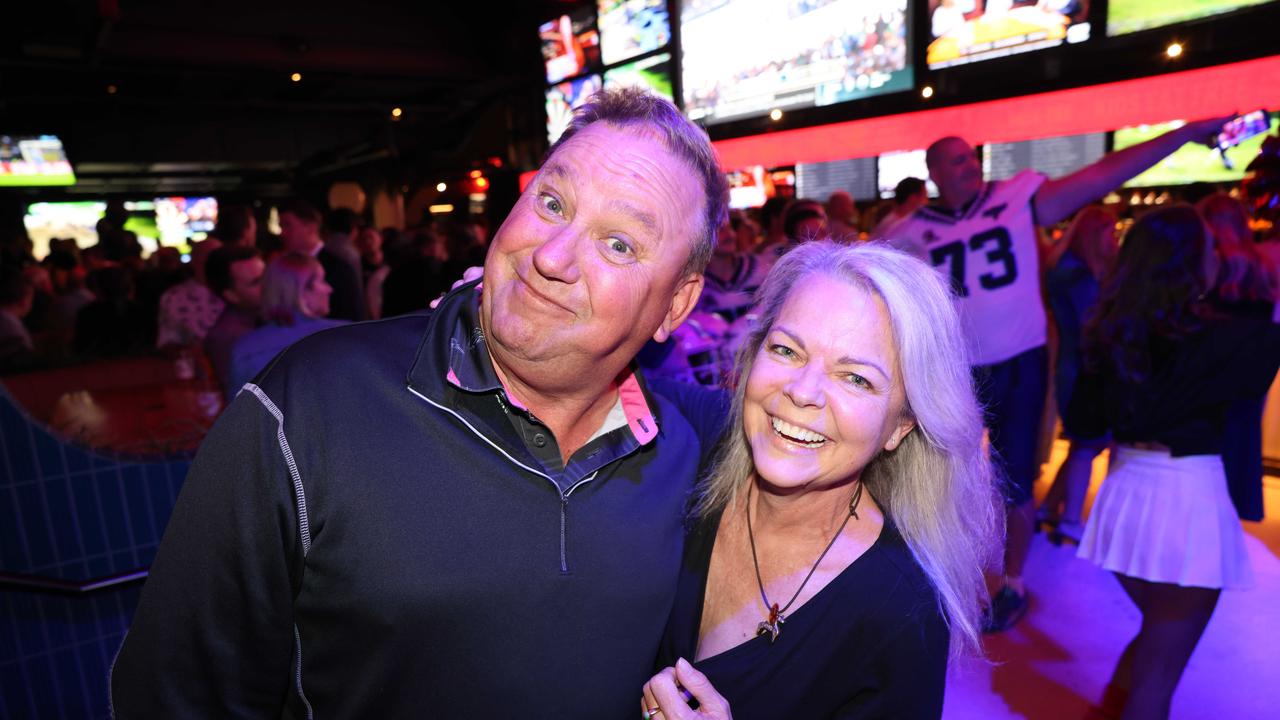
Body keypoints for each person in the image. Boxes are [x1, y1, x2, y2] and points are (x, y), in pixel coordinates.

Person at [110, 87, 731, 717]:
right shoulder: (313, 405)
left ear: (676, 305)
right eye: (551, 202)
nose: (550, 257)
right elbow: (176, 694)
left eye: (618, 244)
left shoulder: (688, 453)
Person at [882, 115, 1234, 632]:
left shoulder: (1020, 197)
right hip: (954, 365)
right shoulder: (910, 231)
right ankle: (942, 567)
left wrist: (1182, 135)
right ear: (934, 170)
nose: (971, 164)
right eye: (957, 159)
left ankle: (1012, 582)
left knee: (1017, 475)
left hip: (1021, 357)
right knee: (938, 471)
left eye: (971, 154)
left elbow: (1103, 174)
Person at [645, 241, 1001, 719]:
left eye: (856, 379)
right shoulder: (692, 438)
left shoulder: (900, 610)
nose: (803, 392)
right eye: (787, 350)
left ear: (900, 426)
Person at [1067, 205, 1280, 719]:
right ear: (1193, 262)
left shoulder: (1109, 331)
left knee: (1160, 638)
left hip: (1125, 495)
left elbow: (1083, 422)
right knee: (1162, 667)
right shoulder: (1236, 336)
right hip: (1186, 502)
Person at [1039, 206, 1118, 543]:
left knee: (1082, 444)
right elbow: (1095, 327)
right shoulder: (1079, 275)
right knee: (1087, 443)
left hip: (1077, 366)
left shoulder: (1067, 269)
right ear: (1095, 233)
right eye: (1109, 231)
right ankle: (1070, 519)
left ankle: (1050, 508)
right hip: (1086, 370)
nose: (1113, 238)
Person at [225, 252, 346, 395]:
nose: (329, 289)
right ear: (302, 291)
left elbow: (240, 411)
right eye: (322, 280)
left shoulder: (244, 348)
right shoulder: (343, 335)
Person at [276, 198, 365, 321]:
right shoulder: (282, 266)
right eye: (281, 226)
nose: (282, 233)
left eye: (288, 225)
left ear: (311, 227)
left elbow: (351, 318)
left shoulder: (339, 267)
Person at [203, 244, 266, 395]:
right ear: (231, 295)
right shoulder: (226, 337)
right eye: (256, 282)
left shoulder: (278, 314)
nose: (268, 285)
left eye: (268, 277)